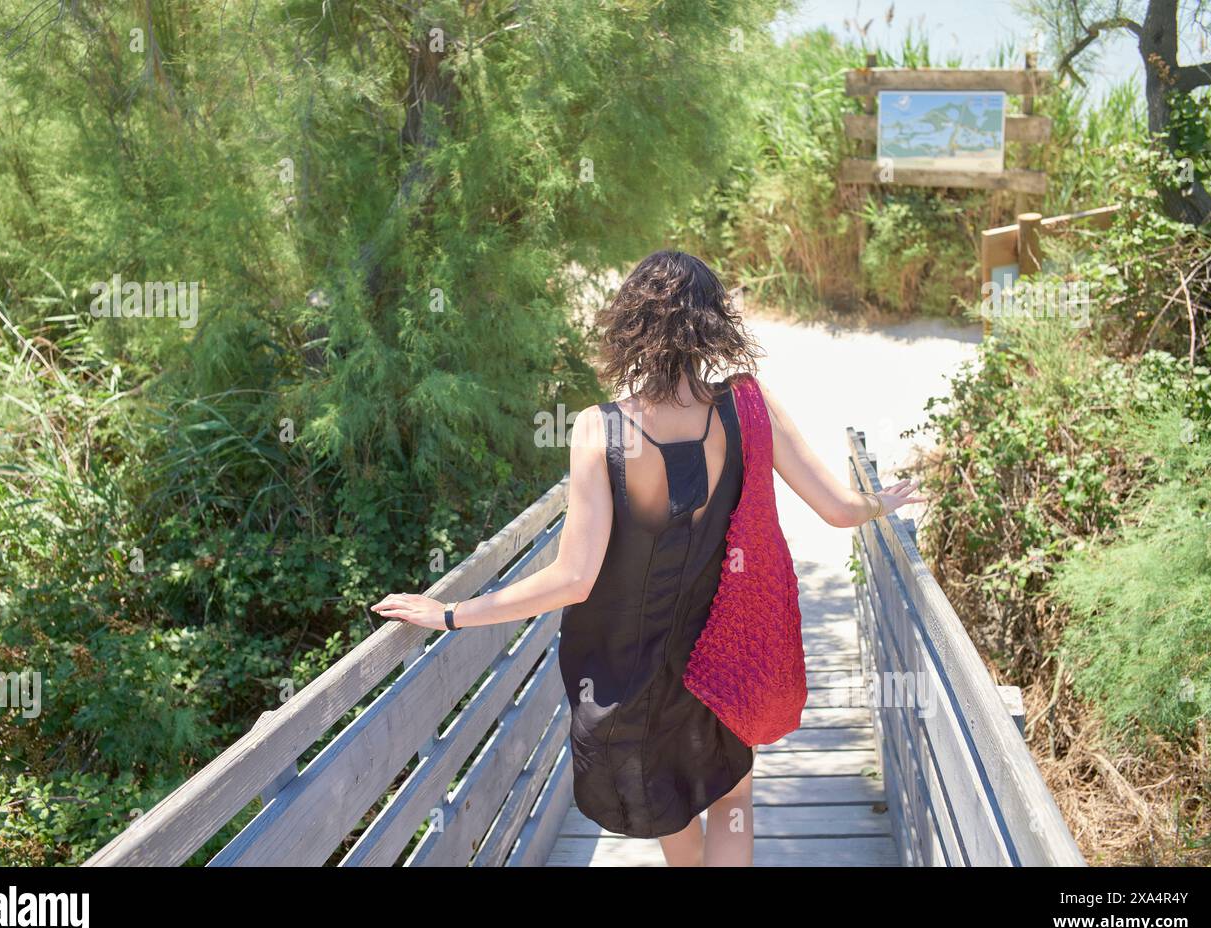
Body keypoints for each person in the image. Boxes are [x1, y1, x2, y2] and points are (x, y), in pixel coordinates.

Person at [371, 250, 925, 866]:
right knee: (733, 798)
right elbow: (839, 510)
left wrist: (451, 613)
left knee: (672, 807)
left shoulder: (599, 431)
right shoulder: (748, 407)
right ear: (712, 323)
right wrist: (882, 502)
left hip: (634, 674)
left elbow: (573, 579)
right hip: (725, 656)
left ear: (630, 325)